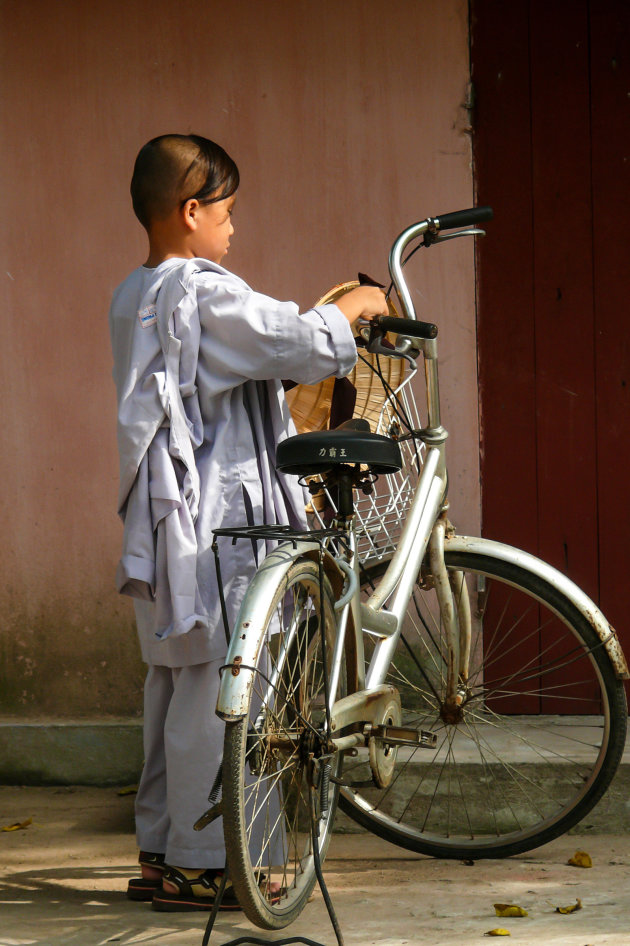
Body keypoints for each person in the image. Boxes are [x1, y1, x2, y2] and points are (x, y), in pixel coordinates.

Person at [108, 133, 387, 912]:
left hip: (165, 523)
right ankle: (212, 861)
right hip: (218, 522)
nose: (234, 230)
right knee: (230, 688)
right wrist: (354, 308)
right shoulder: (200, 292)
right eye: (226, 213)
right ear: (190, 211)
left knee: (175, 683)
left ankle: (165, 852)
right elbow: (291, 342)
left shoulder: (134, 292)